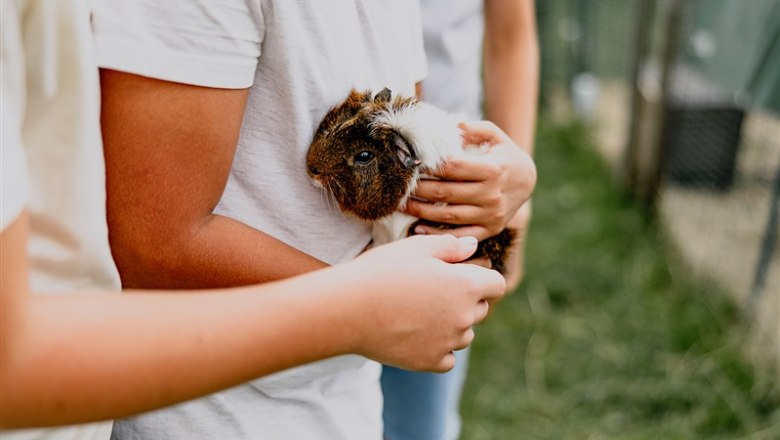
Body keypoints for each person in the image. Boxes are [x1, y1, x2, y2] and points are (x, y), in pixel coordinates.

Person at [0, 1, 511, 438]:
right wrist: (365, 309)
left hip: (343, 401)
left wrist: (481, 179)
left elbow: (400, 129)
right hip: (213, 413)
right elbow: (151, 243)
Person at [380, 1, 540, 439]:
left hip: (450, 196)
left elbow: (511, 37)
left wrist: (516, 206)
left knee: (419, 422)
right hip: (323, 201)